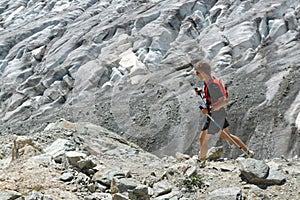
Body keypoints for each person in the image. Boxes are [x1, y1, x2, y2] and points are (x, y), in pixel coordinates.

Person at [193, 61, 254, 167]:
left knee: (203, 138)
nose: (196, 75)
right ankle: (247, 152)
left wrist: (209, 110)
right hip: (218, 113)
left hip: (215, 114)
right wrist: (201, 92)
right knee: (227, 135)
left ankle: (201, 161)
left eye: (197, 72)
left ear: (203, 72)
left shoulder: (213, 86)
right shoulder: (211, 81)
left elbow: (224, 101)